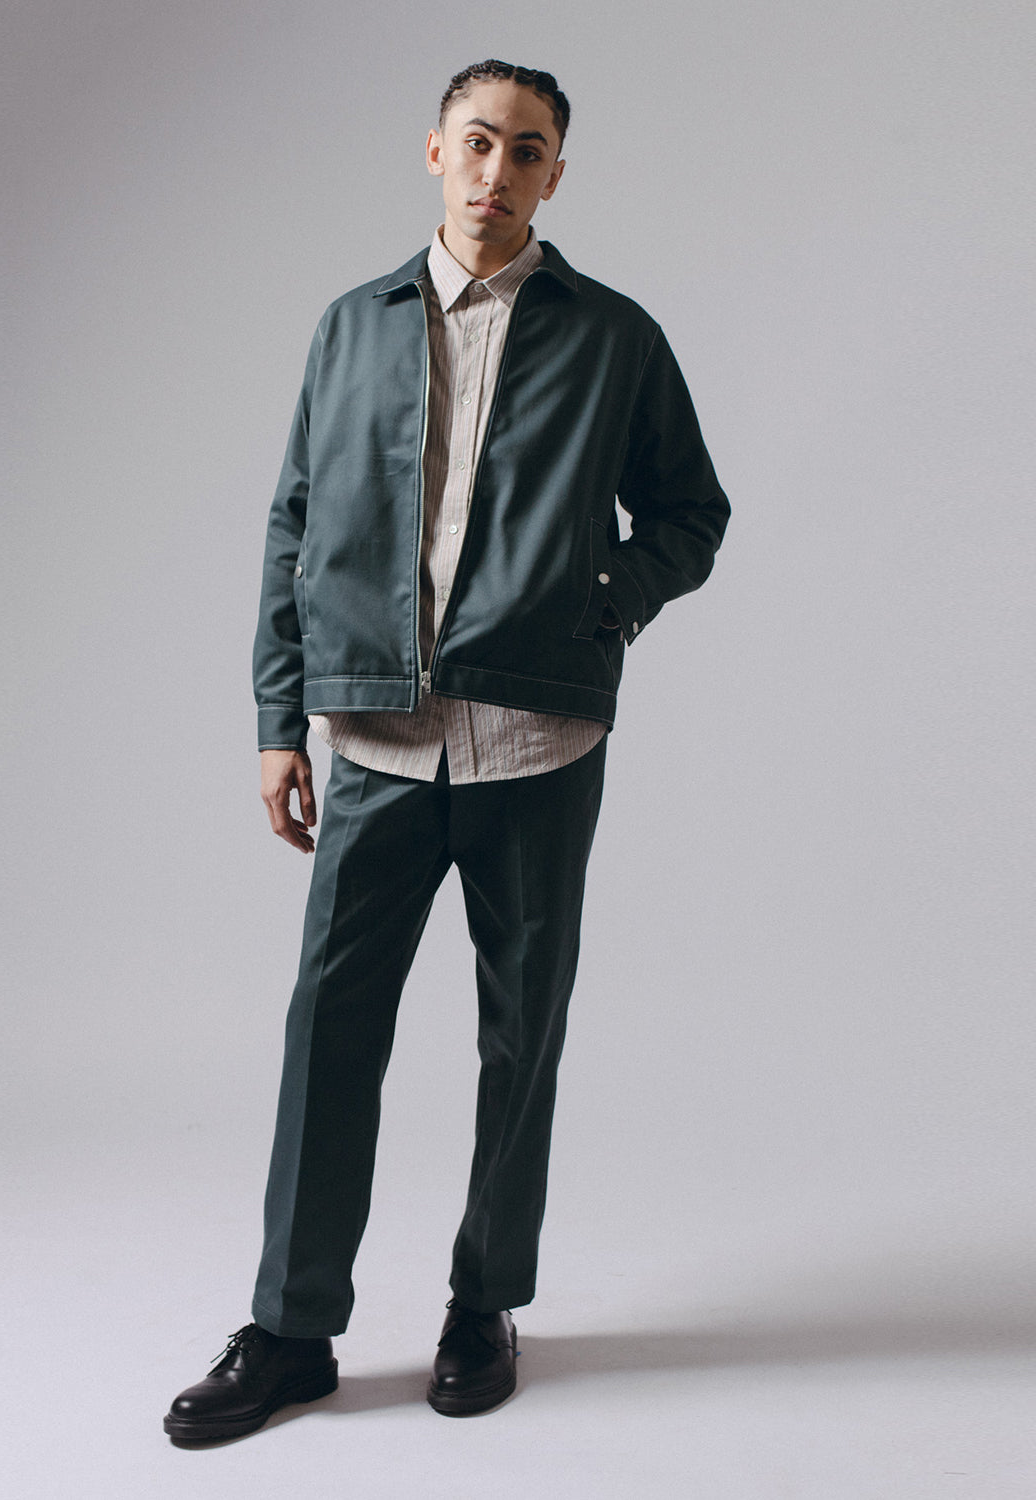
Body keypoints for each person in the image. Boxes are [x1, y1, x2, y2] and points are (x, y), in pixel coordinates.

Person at [164, 58, 729, 1444]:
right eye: (478, 141)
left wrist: (599, 599)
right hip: (375, 736)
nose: (497, 170)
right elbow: (296, 525)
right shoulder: (351, 328)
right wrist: (278, 719)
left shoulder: (614, 337)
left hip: (537, 737)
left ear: (555, 176)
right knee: (329, 1032)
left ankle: (485, 1306)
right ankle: (291, 1329)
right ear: (434, 152)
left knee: (520, 1036)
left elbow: (689, 513)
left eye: (527, 151)